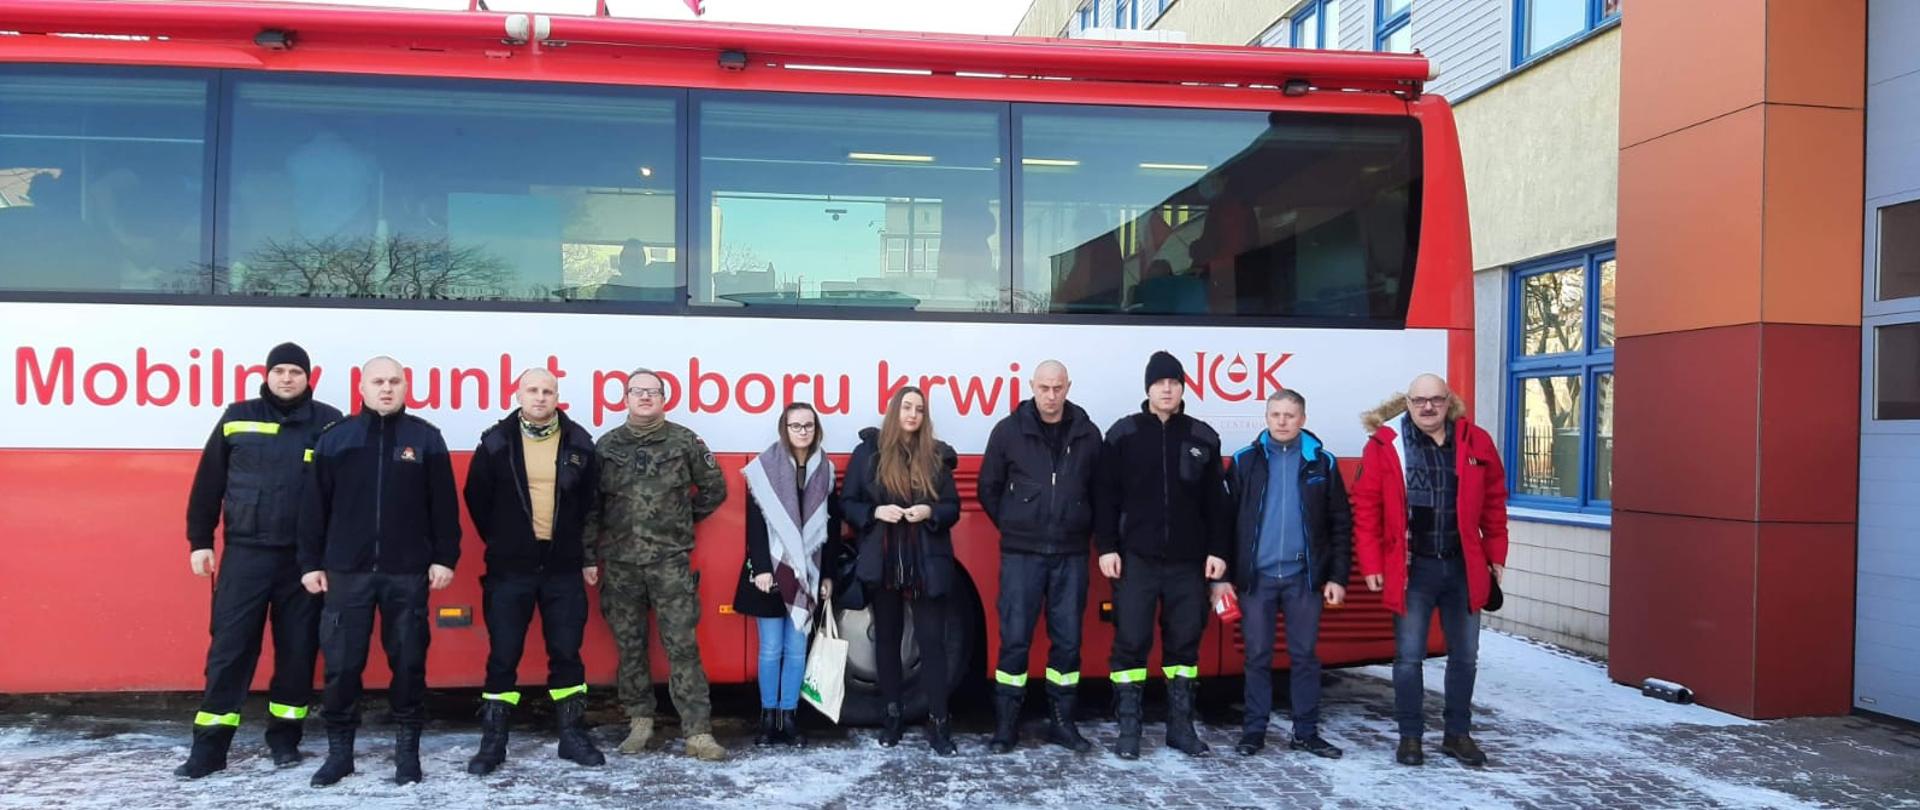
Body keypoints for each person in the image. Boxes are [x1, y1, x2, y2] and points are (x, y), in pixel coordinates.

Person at [175, 342, 343, 779]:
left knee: (297, 652)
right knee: (229, 651)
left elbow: (341, 496)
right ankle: (208, 750)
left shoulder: (329, 423)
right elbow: (208, 481)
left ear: (309, 378)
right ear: (266, 375)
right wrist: (200, 540)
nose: (287, 378)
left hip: (302, 562)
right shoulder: (237, 416)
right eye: (280, 370)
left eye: (296, 371)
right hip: (245, 555)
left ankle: (285, 741)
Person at [298, 356, 461, 787]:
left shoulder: (425, 439)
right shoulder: (336, 439)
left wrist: (446, 557)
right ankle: (339, 755)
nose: (386, 389)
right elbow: (313, 507)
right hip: (345, 573)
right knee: (342, 666)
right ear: (362, 387)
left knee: (408, 663)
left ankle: (407, 754)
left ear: (405, 387)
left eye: (394, 381)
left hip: (407, 574)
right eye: (378, 382)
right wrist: (310, 563)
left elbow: (444, 507)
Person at [1354, 373, 1509, 768]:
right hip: (1411, 568)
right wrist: (1371, 563)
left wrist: (1496, 555)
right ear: (1407, 402)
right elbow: (1367, 509)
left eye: (1436, 400)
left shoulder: (1475, 442)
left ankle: (1457, 734)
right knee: (1408, 658)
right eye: (1419, 400)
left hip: (1462, 565)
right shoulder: (1385, 444)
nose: (1428, 407)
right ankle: (1410, 737)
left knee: (1466, 657)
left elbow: (1494, 502)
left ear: (1448, 401)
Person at [461, 368, 605, 775]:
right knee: (503, 656)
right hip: (510, 569)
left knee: (567, 655)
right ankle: (493, 745)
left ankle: (572, 737)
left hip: (562, 568)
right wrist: (508, 540)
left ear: (557, 395)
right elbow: (477, 499)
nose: (540, 397)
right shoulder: (495, 442)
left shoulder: (578, 442)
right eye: (533, 390)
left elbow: (591, 502)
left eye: (548, 391)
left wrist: (580, 551)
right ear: (518, 394)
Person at [1096, 351, 1232, 759]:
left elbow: (1217, 506)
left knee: (1184, 649)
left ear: (1183, 387)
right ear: (1148, 389)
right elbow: (1105, 497)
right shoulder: (1123, 435)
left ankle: (1180, 727)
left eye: (1173, 382)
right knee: (1130, 644)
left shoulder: (1203, 438)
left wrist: (1219, 553)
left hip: (1188, 563)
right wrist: (1106, 547)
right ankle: (1129, 730)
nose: (1167, 389)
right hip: (1136, 559)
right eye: (1159, 383)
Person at [590, 368, 730, 762]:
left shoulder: (684, 441)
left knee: (682, 646)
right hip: (620, 564)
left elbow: (714, 488)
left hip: (669, 563)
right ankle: (639, 723)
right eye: (638, 391)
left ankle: (698, 733)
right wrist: (588, 556)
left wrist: (679, 524)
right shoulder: (607, 447)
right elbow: (592, 508)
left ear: (664, 398)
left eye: (653, 392)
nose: (646, 398)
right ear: (625, 398)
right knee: (630, 647)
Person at [976, 360, 1101, 754]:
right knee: (1014, 640)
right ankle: (1006, 726)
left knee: (1067, 642)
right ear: (1032, 386)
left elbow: (1101, 493)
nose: (1051, 396)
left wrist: (1079, 524)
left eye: (1058, 388)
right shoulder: (1008, 431)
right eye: (1044, 387)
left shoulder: (1087, 433)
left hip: (1071, 554)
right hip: (1022, 555)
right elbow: (988, 488)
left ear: (1068, 387)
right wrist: (1016, 523)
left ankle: (1062, 723)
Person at [1223, 389, 1351, 759]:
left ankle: (1306, 732)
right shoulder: (1246, 461)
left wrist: (1337, 578)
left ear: (1303, 419)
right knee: (1257, 656)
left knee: (1305, 656)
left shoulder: (1321, 462)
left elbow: (1340, 524)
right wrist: (1226, 575)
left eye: (1290, 415)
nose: (1282, 421)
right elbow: (1227, 521)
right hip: (1256, 579)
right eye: (1276, 414)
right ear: (1266, 417)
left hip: (1303, 579)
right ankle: (1254, 731)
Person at [843, 387, 963, 756]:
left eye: (920, 409)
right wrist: (875, 513)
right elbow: (847, 502)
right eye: (907, 407)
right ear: (894, 411)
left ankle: (939, 722)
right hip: (884, 560)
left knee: (931, 643)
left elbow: (953, 507)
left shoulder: (936, 454)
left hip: (927, 560)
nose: (913, 414)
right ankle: (892, 715)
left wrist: (931, 512)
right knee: (888, 640)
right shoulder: (868, 452)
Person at [732, 403, 837, 748]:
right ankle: (767, 718)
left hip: (807, 571)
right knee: (771, 649)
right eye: (796, 426)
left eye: (808, 426)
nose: (803, 431)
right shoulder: (763, 468)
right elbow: (755, 525)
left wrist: (827, 575)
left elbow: (831, 531)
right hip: (772, 572)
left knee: (796, 650)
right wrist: (761, 568)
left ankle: (789, 719)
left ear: (816, 429)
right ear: (785, 428)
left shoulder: (826, 470)